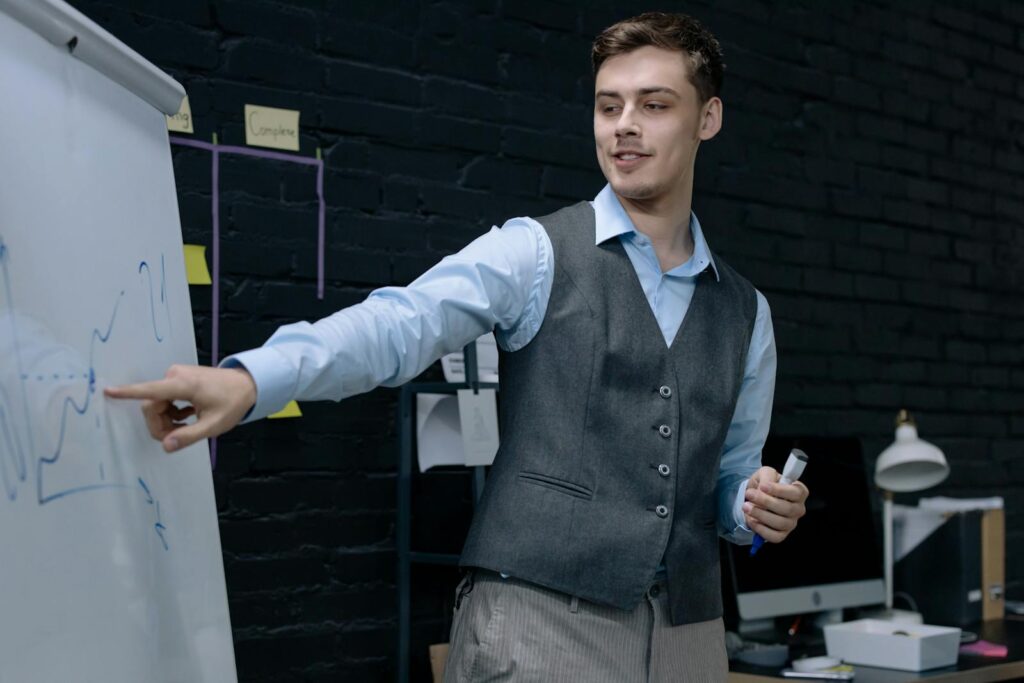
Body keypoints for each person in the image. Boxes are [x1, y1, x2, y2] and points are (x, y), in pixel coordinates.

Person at [107, 11, 809, 682]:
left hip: (690, 635)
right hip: (538, 624)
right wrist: (253, 379)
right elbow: (398, 324)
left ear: (707, 118)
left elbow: (729, 481)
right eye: (607, 105)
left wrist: (752, 505)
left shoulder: (747, 312)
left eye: (654, 105)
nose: (624, 126)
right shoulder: (533, 252)